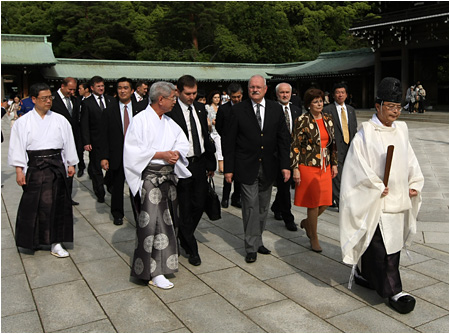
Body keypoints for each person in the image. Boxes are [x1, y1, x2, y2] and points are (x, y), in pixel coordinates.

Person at [339, 77, 424, 314]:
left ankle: (363, 272)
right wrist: (375, 185)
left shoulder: (402, 130)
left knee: (391, 243)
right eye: (390, 107)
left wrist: (414, 181)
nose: (395, 112)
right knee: (381, 246)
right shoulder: (366, 133)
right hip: (375, 198)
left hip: (397, 197)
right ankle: (394, 291)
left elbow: (409, 159)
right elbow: (357, 167)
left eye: (398, 107)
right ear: (378, 106)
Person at [124, 81, 190, 289]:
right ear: (161, 99)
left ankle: (163, 266)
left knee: (169, 221)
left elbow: (182, 141)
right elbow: (133, 151)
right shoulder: (140, 120)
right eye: (172, 98)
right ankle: (152, 270)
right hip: (150, 178)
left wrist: (176, 153)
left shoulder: (169, 121)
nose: (174, 102)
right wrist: (161, 154)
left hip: (168, 178)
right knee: (153, 224)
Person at [224, 75, 291, 263]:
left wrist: (286, 166)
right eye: (252, 87)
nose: (255, 90)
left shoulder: (276, 109)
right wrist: (228, 169)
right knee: (250, 206)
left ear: (265, 89)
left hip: (269, 166)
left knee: (262, 206)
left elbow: (283, 140)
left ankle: (258, 239)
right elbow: (229, 141)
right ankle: (251, 246)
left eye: (258, 87)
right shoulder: (238, 110)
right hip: (246, 166)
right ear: (248, 89)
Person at [8, 83, 78, 257]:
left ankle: (56, 242)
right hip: (35, 167)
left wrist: (70, 163)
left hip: (56, 166)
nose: (48, 101)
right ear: (33, 99)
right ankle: (33, 240)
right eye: (44, 98)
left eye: (50, 98)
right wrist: (19, 170)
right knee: (34, 205)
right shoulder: (23, 122)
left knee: (57, 205)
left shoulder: (60, 120)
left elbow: (68, 142)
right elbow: (17, 147)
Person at [166, 75, 216, 266]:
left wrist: (210, 163)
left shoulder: (201, 109)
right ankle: (191, 247)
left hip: (200, 162)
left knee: (200, 203)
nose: (192, 97)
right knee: (185, 206)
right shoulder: (172, 111)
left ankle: (184, 235)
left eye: (194, 93)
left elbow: (205, 135)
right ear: (178, 92)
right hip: (181, 164)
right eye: (188, 93)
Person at [291, 88, 338, 252]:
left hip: (325, 164)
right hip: (308, 165)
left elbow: (333, 143)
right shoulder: (302, 120)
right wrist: (295, 168)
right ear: (309, 104)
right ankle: (314, 236)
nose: (320, 104)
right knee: (313, 203)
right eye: (316, 101)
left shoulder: (328, 118)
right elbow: (295, 145)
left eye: (321, 101)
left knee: (326, 202)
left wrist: (334, 163)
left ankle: (307, 223)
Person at [99, 77, 147, 226]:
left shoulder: (141, 110)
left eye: (126, 88)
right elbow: (103, 135)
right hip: (117, 154)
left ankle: (140, 213)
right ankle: (117, 214)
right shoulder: (109, 111)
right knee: (117, 186)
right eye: (120, 88)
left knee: (138, 186)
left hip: (137, 154)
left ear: (132, 90)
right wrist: (104, 157)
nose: (122, 91)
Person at [271, 83, 302, 231]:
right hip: (276, 154)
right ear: (277, 94)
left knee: (286, 184)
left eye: (287, 92)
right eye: (282, 93)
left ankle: (277, 207)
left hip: (292, 153)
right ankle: (288, 217)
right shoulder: (272, 109)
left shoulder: (296, 110)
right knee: (284, 185)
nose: (284, 95)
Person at [323, 83, 357, 210]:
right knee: (336, 174)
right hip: (335, 146)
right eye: (338, 92)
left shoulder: (351, 110)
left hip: (349, 145)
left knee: (348, 174)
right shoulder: (328, 110)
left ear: (346, 95)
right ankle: (340, 201)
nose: (340, 95)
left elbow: (353, 128)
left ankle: (342, 198)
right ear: (333, 95)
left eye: (343, 92)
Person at [80, 76, 114, 203]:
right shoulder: (87, 103)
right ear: (92, 88)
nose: (101, 88)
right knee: (96, 168)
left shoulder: (111, 100)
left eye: (102, 86)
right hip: (95, 140)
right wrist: (86, 141)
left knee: (112, 166)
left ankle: (110, 185)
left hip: (110, 140)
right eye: (98, 86)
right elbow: (84, 124)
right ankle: (99, 192)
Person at [51, 77, 82, 206]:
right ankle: (55, 198)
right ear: (62, 87)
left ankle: (67, 198)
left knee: (70, 170)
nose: (72, 92)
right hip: (56, 141)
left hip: (72, 140)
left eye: (74, 90)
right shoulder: (52, 100)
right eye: (70, 89)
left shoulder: (75, 100)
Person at [215, 83, 243, 209]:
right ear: (229, 96)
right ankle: (225, 197)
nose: (236, 99)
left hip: (242, 144)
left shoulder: (245, 107)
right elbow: (219, 126)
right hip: (228, 143)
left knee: (239, 172)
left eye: (238, 97)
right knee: (228, 170)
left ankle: (236, 197)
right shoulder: (223, 109)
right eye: (234, 97)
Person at [206, 90, 223, 174]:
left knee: (220, 149)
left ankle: (221, 167)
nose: (217, 99)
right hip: (210, 131)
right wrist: (209, 122)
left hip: (218, 132)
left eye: (218, 97)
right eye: (215, 97)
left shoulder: (221, 108)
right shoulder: (207, 107)